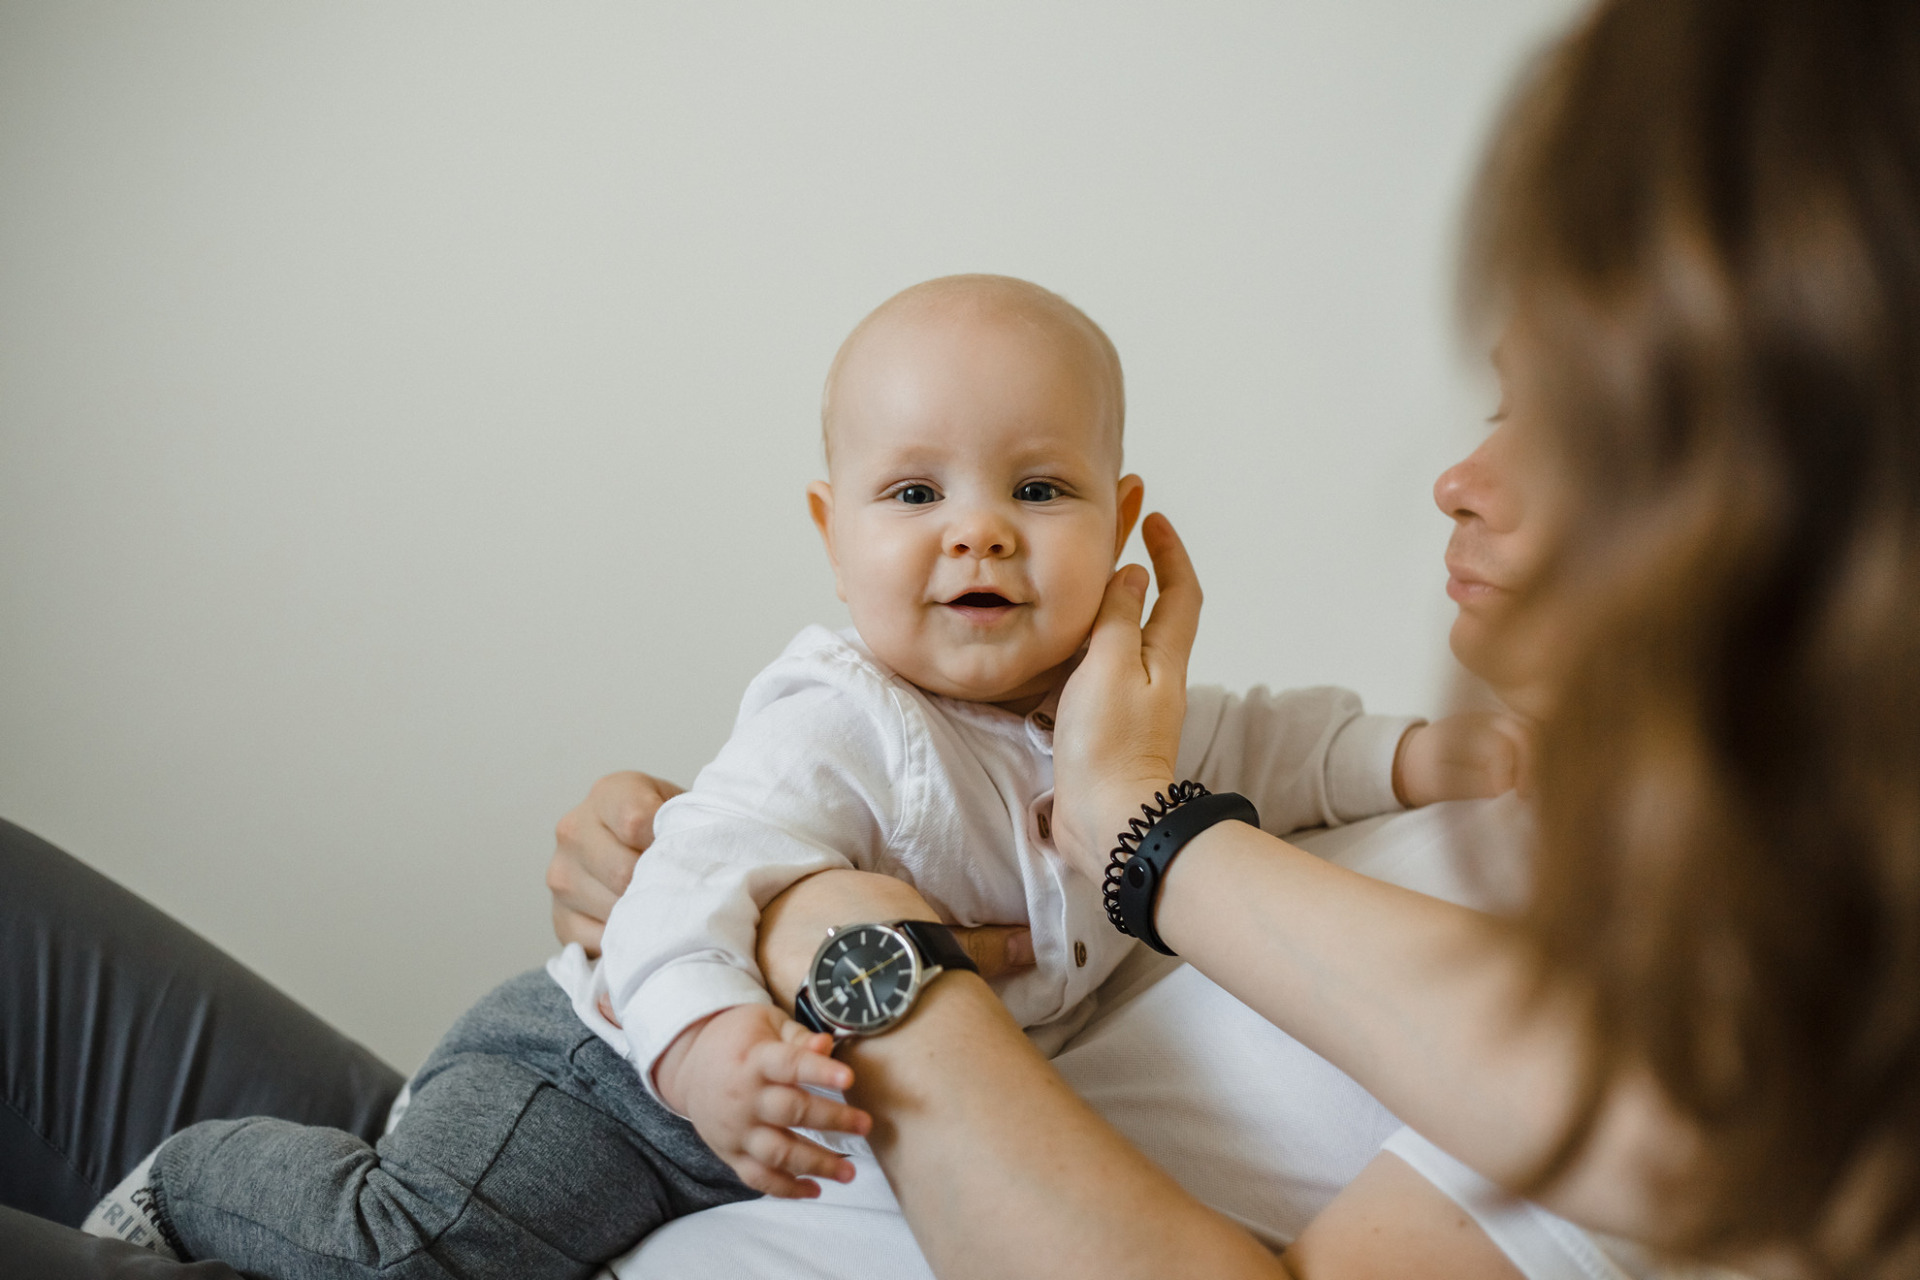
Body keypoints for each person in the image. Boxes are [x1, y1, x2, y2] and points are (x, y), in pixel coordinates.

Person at [578, 0, 1917, 1276]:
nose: (1456, 478)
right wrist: (716, 862)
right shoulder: (1504, 831)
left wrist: (863, 947)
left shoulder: (1737, 966)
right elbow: (1299, 761)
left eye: (1567, 412)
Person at [72, 273, 1510, 1278]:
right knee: (419, 1250)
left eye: (1039, 488)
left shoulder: (1125, 718)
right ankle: (186, 1183)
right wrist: (707, 1058)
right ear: (832, 534)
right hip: (621, 1077)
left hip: (769, 1118)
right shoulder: (839, 714)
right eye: (913, 494)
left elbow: (1283, 751)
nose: (980, 535)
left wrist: (1431, 754)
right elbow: (683, 891)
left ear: (1124, 517)